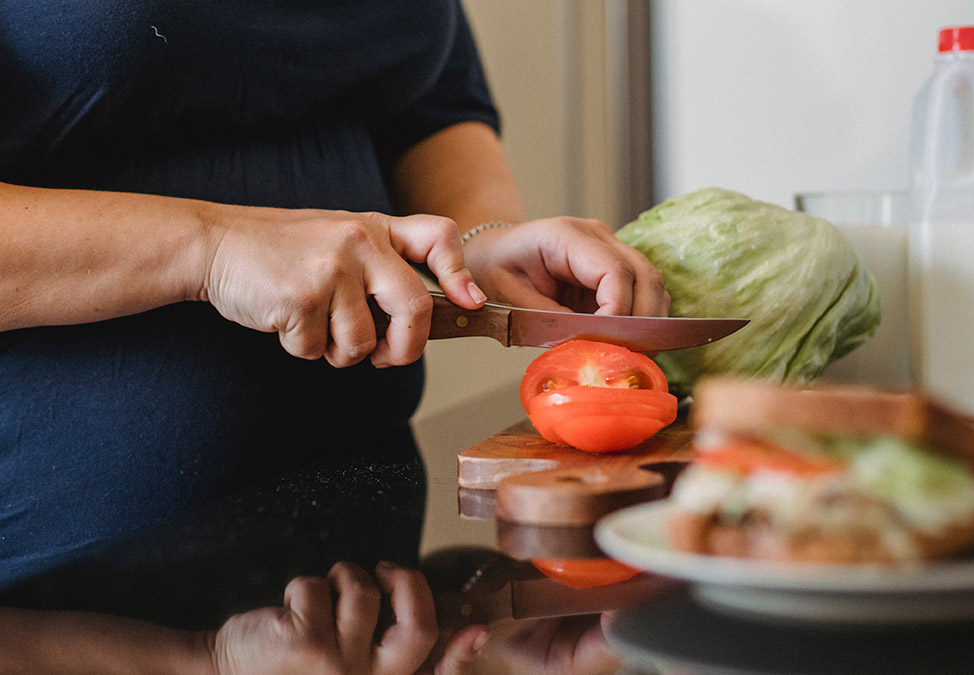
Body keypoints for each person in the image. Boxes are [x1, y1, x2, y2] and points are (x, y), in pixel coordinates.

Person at [0, 1, 666, 672]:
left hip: (368, 568)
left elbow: (428, 96)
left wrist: (479, 243)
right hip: (78, 589)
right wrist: (213, 246)